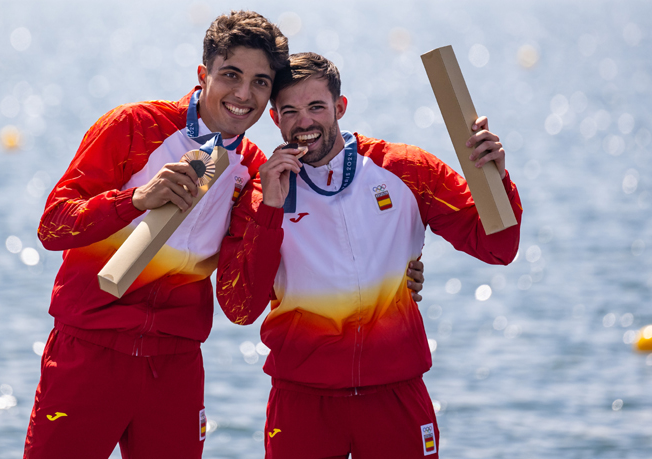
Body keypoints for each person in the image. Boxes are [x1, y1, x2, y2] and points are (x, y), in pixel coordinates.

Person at [216, 52, 523, 458]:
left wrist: (495, 177)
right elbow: (240, 308)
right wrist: (270, 211)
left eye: (316, 107)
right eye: (290, 111)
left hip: (394, 395)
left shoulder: (405, 170)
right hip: (304, 403)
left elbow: (498, 248)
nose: (304, 122)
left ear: (340, 107)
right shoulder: (260, 194)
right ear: (275, 119)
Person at [22, 11, 289, 459]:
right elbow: (52, 225)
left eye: (261, 82)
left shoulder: (254, 170)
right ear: (203, 74)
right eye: (231, 75)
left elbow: (241, 307)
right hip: (89, 352)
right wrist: (134, 201)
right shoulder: (133, 126)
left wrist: (272, 214)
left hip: (175, 366)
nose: (244, 95)